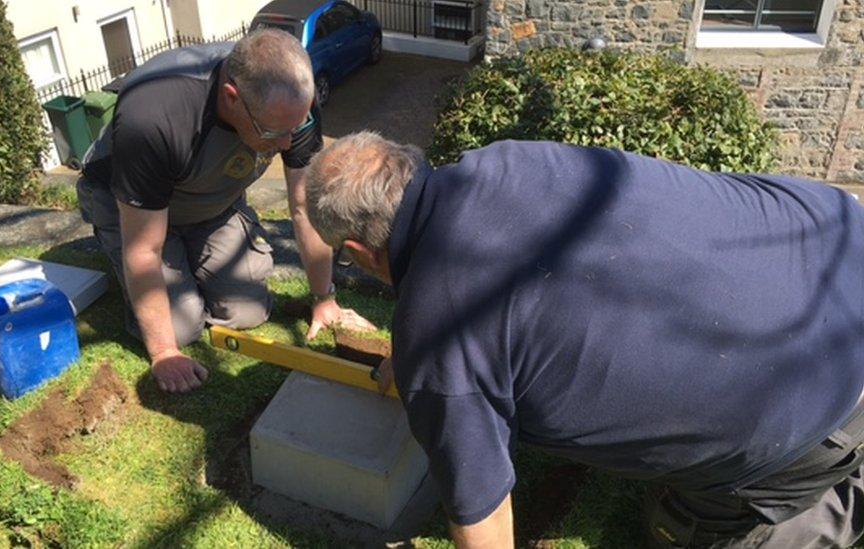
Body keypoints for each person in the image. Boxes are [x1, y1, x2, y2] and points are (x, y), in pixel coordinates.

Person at [304, 131, 864, 548]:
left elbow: (484, 517)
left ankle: (827, 504)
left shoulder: (440, 330)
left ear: (356, 253)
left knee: (676, 526)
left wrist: (430, 359)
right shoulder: (510, 159)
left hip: (808, 404)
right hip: (835, 241)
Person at [77, 30, 373, 394]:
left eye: (294, 130)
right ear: (232, 98)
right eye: (273, 132)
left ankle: (189, 259)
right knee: (181, 328)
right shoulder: (154, 118)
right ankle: (146, 260)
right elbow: (144, 250)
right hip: (132, 206)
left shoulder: (293, 100)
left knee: (248, 312)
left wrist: (324, 299)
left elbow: (303, 206)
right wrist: (165, 351)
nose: (286, 144)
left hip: (212, 200)